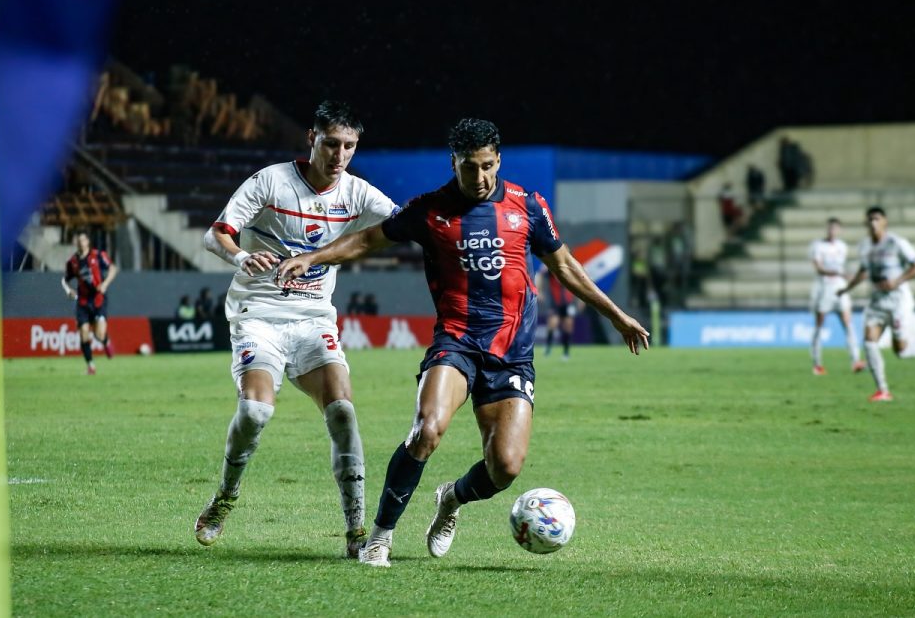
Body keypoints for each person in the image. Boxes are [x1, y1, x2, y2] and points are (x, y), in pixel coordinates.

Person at [277, 118, 649, 567]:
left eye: (488, 166)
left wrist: (618, 316)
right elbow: (368, 240)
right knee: (426, 429)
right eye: (469, 168)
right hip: (455, 343)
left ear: (498, 160)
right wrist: (312, 257)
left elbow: (565, 266)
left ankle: (451, 499)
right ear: (453, 163)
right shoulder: (431, 210)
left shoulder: (527, 206)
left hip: (511, 354)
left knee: (505, 467)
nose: (480, 178)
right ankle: (380, 537)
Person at [195, 100, 398, 557]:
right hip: (258, 316)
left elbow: (406, 226)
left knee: (343, 411)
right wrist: (243, 257)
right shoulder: (271, 182)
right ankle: (226, 496)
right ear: (312, 138)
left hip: (312, 320)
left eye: (349, 145)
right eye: (331, 143)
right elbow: (216, 234)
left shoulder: (359, 194)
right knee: (255, 413)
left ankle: (356, 532)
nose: (340, 154)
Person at [837, 206, 915, 401]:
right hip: (877, 301)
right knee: (869, 342)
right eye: (870, 220)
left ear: (885, 222)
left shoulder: (896, 242)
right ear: (866, 224)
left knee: (900, 351)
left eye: (877, 219)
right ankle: (883, 390)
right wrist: (847, 289)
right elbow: (863, 271)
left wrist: (897, 281)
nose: (873, 223)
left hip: (899, 300)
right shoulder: (864, 246)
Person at [808, 218, 865, 375]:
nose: (832, 231)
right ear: (826, 229)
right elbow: (819, 268)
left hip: (840, 287)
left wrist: (845, 277)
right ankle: (817, 363)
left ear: (839, 230)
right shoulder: (818, 246)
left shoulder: (842, 246)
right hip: (824, 287)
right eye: (830, 228)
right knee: (819, 325)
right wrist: (838, 273)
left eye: (835, 228)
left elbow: (842, 267)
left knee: (847, 323)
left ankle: (855, 360)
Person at [61, 230, 117, 375]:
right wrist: (68, 290)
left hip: (98, 299)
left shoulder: (98, 256)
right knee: (84, 333)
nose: (81, 243)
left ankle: (105, 342)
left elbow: (113, 268)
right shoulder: (73, 262)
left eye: (83, 240)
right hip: (83, 302)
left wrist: (105, 284)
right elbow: (64, 279)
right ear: (76, 243)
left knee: (99, 334)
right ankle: (91, 366)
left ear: (87, 242)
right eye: (78, 241)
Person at [534, 265, 577, 360]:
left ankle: (566, 352)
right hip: (555, 302)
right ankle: (548, 347)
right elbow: (539, 275)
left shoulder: (571, 267)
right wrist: (539, 290)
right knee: (553, 323)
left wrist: (581, 300)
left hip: (568, 302)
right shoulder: (552, 267)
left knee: (568, 326)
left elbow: (581, 280)